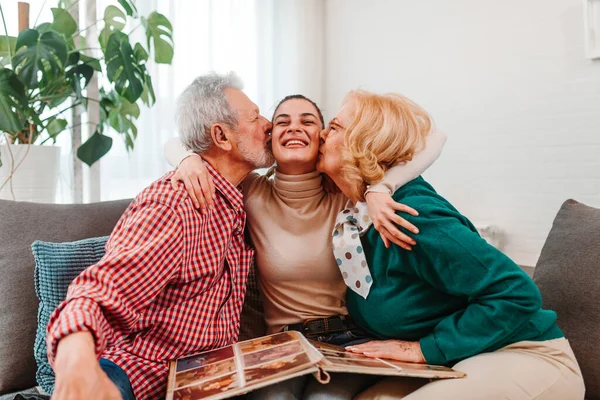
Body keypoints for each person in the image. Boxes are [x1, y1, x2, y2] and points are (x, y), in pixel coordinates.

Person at [164, 94, 447, 399]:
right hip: (280, 344)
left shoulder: (348, 193)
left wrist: (381, 187)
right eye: (282, 122)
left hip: (349, 339)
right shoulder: (252, 192)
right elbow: (171, 142)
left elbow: (436, 138)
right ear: (271, 140)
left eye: (308, 122)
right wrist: (187, 158)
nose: (294, 128)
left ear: (324, 138)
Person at [316, 89, 586, 400]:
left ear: (365, 144)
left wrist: (422, 349)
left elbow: (517, 294)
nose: (322, 134)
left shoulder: (414, 215)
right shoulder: (357, 218)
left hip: (525, 354)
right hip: (460, 359)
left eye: (334, 127)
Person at [46, 72, 275, 400]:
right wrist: (76, 364)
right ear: (222, 136)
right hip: (137, 375)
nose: (267, 124)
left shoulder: (242, 198)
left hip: (203, 378)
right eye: (254, 117)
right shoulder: (175, 203)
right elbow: (98, 293)